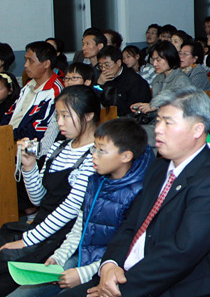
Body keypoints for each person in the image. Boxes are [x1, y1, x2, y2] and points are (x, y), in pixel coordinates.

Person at [89, 87, 210, 297]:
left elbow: (181, 253)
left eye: (168, 122)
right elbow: (131, 224)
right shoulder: (159, 168)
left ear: (197, 130)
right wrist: (109, 265)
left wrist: (120, 290)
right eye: (158, 120)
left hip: (175, 288)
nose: (158, 129)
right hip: (127, 275)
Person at [8, 119, 153, 297]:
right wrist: (59, 257)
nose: (94, 155)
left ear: (126, 156)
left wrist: (83, 274)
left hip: (106, 269)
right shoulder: (95, 181)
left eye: (101, 151)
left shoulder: (139, 193)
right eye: (94, 149)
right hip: (81, 256)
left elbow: (127, 251)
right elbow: (78, 229)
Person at [0, 86, 98, 295]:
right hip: (40, 227)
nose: (59, 122)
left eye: (66, 116)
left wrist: (27, 241)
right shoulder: (58, 148)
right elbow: (39, 199)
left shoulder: (95, 154)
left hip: (61, 236)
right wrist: (29, 166)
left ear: (88, 115)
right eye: (57, 116)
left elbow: (71, 208)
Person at [2, 41, 63, 141]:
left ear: (46, 64)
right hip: (8, 137)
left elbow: (38, 130)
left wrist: (7, 135)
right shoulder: (29, 85)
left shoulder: (54, 91)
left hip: (24, 143)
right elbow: (10, 112)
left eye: (31, 61)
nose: (26, 65)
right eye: (26, 60)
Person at [95, 46, 151, 117]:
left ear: (118, 63)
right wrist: (99, 84)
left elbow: (132, 110)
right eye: (100, 66)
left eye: (107, 65)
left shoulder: (134, 81)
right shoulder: (102, 78)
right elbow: (94, 101)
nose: (103, 69)